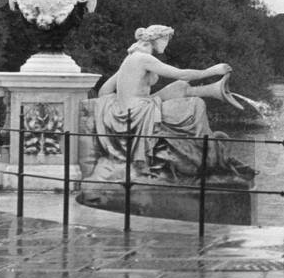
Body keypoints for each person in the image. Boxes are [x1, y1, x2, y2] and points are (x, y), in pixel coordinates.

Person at [93, 25, 247, 177]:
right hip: (138, 112)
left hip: (135, 108)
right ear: (156, 39)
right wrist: (212, 71)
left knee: (179, 86)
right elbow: (182, 74)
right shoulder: (144, 58)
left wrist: (121, 102)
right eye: (165, 39)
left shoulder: (131, 58)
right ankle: (210, 155)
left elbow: (103, 92)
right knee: (197, 105)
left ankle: (215, 94)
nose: (166, 44)